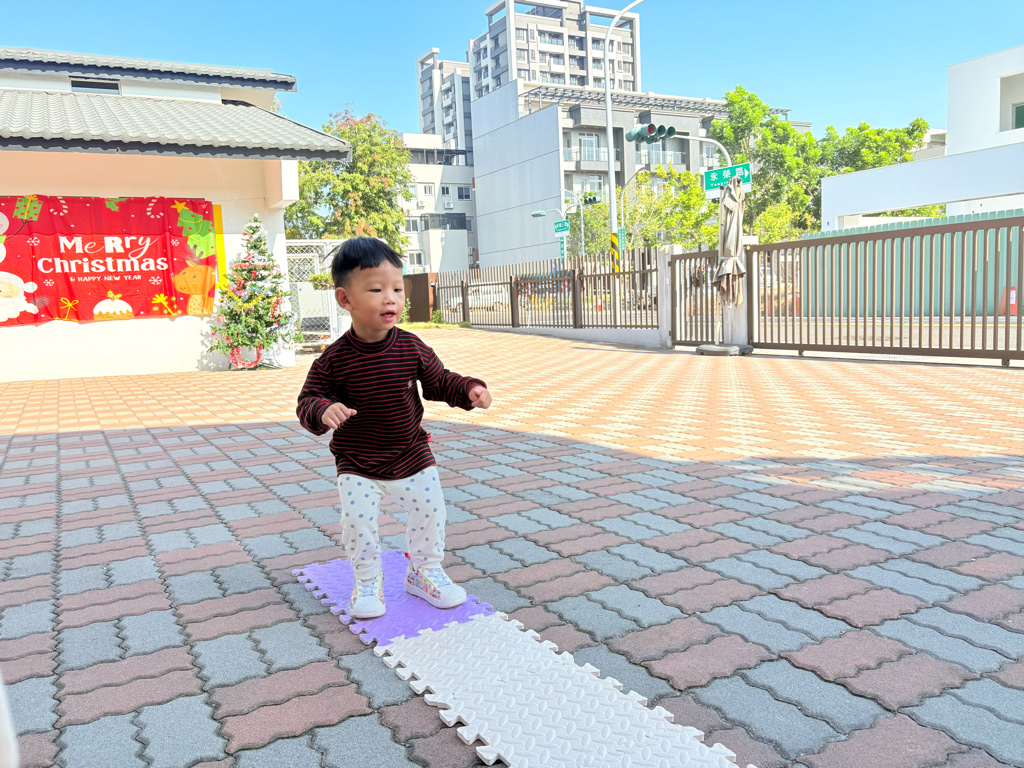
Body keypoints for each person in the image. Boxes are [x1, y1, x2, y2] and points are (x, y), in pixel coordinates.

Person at [296, 238, 491, 619]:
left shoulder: (411, 346)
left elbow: (439, 381)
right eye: (376, 290)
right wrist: (323, 410)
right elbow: (308, 400)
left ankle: (424, 572)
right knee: (359, 522)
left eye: (398, 289)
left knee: (431, 511)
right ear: (345, 299)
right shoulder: (333, 359)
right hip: (357, 461)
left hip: (410, 453)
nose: (391, 299)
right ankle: (368, 580)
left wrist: (469, 389)